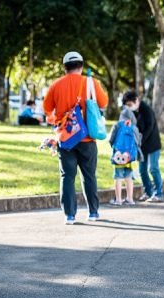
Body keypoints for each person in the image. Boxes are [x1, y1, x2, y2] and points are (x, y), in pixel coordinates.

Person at [43, 51, 109, 224]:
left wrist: (55, 120)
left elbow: (47, 108)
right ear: (81, 65)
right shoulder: (91, 82)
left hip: (65, 139)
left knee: (67, 176)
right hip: (87, 138)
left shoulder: (56, 85)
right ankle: (93, 213)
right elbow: (103, 103)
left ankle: (69, 215)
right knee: (89, 175)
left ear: (65, 67)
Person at [122, 91, 163, 202]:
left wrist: (140, 140)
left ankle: (159, 194)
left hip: (153, 144)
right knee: (142, 170)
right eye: (127, 106)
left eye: (130, 104)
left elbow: (150, 127)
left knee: (153, 168)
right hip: (142, 146)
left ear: (136, 100)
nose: (129, 107)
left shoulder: (146, 109)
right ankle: (148, 192)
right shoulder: (134, 112)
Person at [108, 107, 143, 205]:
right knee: (129, 177)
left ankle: (118, 200)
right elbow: (138, 142)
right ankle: (130, 199)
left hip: (118, 157)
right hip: (129, 158)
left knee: (118, 177)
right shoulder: (134, 127)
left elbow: (111, 139)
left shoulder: (117, 125)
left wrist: (115, 148)